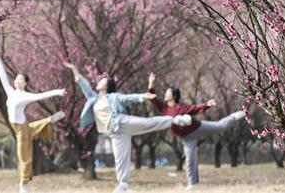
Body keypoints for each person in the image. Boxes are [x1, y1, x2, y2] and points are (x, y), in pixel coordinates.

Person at [63, 62, 193, 193]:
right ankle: (123, 185)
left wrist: (142, 96)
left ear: (106, 86)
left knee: (148, 123)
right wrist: (74, 69)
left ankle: (176, 120)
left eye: (102, 81)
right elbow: (82, 83)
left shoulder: (114, 97)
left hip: (122, 122)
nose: (98, 81)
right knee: (120, 159)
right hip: (115, 133)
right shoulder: (93, 98)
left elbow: (127, 98)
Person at [147, 73, 246, 190]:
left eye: (168, 92)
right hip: (186, 138)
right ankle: (193, 184)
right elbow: (152, 97)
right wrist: (151, 82)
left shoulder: (181, 107)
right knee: (190, 159)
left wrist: (207, 105)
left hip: (197, 128)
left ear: (173, 95)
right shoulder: (164, 108)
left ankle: (234, 116)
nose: (165, 93)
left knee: (220, 126)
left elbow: (195, 108)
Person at [0, 54, 66, 193]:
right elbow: (2, 78)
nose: (17, 81)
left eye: (21, 80)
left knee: (23, 155)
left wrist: (57, 92)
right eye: (17, 79)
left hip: (20, 129)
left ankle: (23, 183)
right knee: (30, 129)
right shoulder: (10, 92)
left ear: (25, 83)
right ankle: (49, 120)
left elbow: (41, 95)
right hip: (19, 127)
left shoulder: (26, 96)